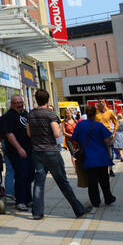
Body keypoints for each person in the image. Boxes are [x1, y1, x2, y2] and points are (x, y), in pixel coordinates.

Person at [27, 89, 91, 221]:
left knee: (39, 182)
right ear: (48, 100)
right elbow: (57, 133)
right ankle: (78, 209)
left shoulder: (31, 114)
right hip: (51, 151)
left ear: (36, 100)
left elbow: (28, 133)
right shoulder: (50, 114)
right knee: (62, 181)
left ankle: (37, 212)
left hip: (37, 152)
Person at [71, 106, 115, 208]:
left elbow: (74, 138)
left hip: (88, 157)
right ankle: (108, 198)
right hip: (101, 157)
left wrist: (82, 143)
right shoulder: (99, 125)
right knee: (104, 180)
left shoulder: (80, 124)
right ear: (95, 113)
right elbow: (108, 140)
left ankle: (95, 201)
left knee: (92, 181)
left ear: (86, 113)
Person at [0, 94, 33, 212]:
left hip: (29, 150)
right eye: (17, 103)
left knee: (29, 175)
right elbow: (9, 134)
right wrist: (19, 148)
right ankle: (20, 201)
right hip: (16, 151)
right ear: (12, 104)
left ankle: (29, 199)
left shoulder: (25, 114)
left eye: (21, 102)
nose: (20, 104)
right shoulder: (9, 116)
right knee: (21, 175)